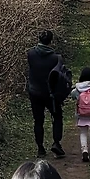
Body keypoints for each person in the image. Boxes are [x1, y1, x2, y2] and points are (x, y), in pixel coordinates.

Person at [25, 28, 67, 158]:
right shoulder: (56, 58)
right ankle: (56, 143)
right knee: (57, 117)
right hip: (51, 94)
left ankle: (40, 148)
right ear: (51, 41)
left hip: (34, 92)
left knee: (38, 120)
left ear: (39, 39)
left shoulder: (31, 54)